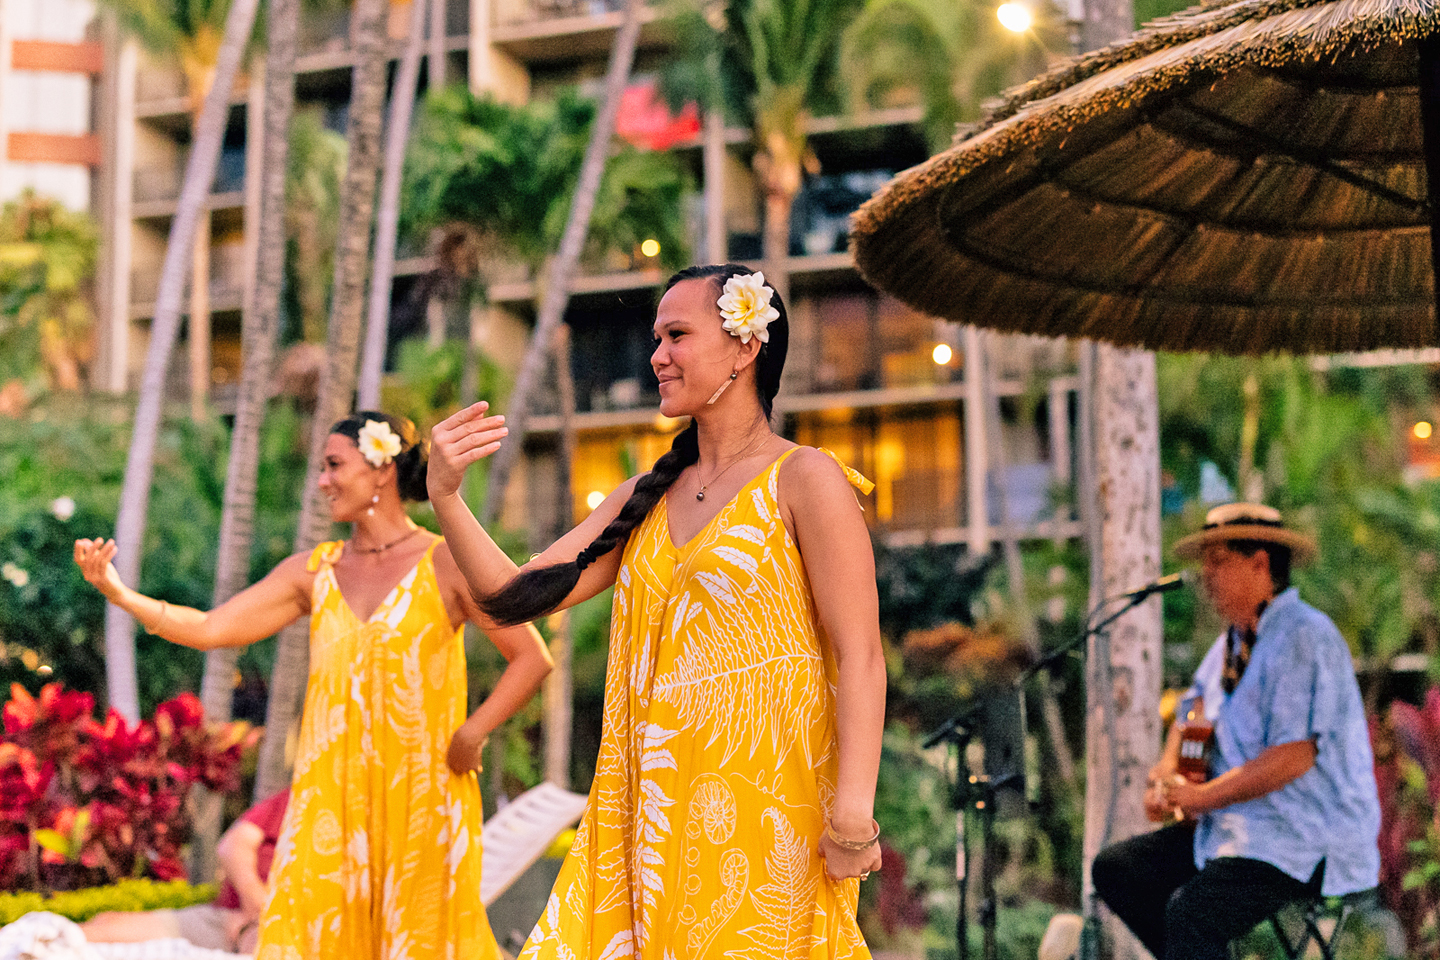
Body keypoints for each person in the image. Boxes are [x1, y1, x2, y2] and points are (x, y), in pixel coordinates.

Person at [428, 265, 886, 958]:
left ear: (744, 347)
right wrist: (447, 498)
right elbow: (510, 596)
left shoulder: (804, 479)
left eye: (677, 335)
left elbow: (861, 654)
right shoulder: (643, 496)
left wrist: (853, 810)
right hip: (644, 812)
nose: (656, 356)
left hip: (764, 810)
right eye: (655, 337)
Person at [73, 411, 553, 960]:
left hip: (421, 799)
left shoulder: (444, 561)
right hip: (329, 804)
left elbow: (530, 658)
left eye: (333, 465)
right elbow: (211, 628)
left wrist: (472, 733)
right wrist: (121, 594)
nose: (321, 480)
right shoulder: (314, 572)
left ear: (381, 471)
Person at [1091, 502, 1381, 960]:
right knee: (1118, 870)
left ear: (1260, 563)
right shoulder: (1229, 644)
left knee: (1193, 913)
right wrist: (1165, 779)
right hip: (1234, 830)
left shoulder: (1306, 636)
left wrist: (1202, 798)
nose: (1205, 574)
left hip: (1301, 835)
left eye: (1218, 560)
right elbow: (1192, 716)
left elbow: (1293, 758)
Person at [81, 790, 290, 954]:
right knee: (105, 926)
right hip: (231, 918)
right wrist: (260, 906)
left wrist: (265, 924)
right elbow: (233, 845)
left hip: (263, 934)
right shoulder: (301, 794)